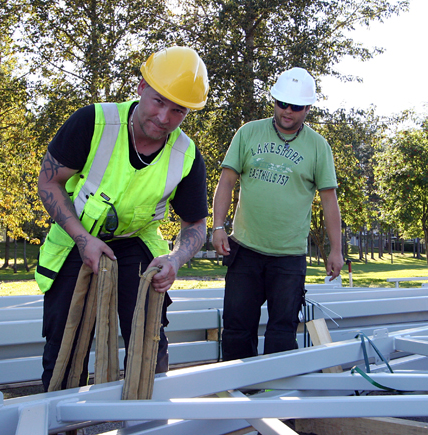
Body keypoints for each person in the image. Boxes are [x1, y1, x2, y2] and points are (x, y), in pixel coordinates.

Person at [35, 46, 209, 391]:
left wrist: (176, 258)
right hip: (77, 237)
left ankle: (146, 423)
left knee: (148, 341)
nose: (164, 118)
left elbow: (195, 225)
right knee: (66, 342)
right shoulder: (93, 122)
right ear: (142, 87)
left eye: (178, 110)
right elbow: (48, 182)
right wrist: (84, 239)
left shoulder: (186, 155)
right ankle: (62, 423)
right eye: (159, 102)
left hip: (136, 243)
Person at [212, 67, 344, 361]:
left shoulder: (319, 147)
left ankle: (276, 397)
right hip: (244, 250)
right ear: (273, 100)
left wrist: (336, 250)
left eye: (296, 107)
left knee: (282, 332)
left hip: (288, 257)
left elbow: (329, 201)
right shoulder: (248, 133)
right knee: (236, 329)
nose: (287, 111)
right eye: (281, 103)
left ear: (308, 108)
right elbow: (226, 182)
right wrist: (218, 226)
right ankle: (239, 390)